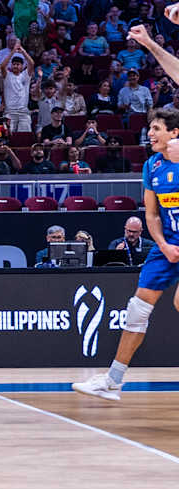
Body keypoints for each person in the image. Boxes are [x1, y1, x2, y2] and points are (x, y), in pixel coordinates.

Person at [73, 108, 179, 401]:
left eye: (157, 128)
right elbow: (152, 214)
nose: (151, 134)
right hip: (167, 243)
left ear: (174, 134)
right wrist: (164, 244)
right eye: (150, 128)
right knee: (137, 310)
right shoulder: (152, 166)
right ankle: (112, 381)